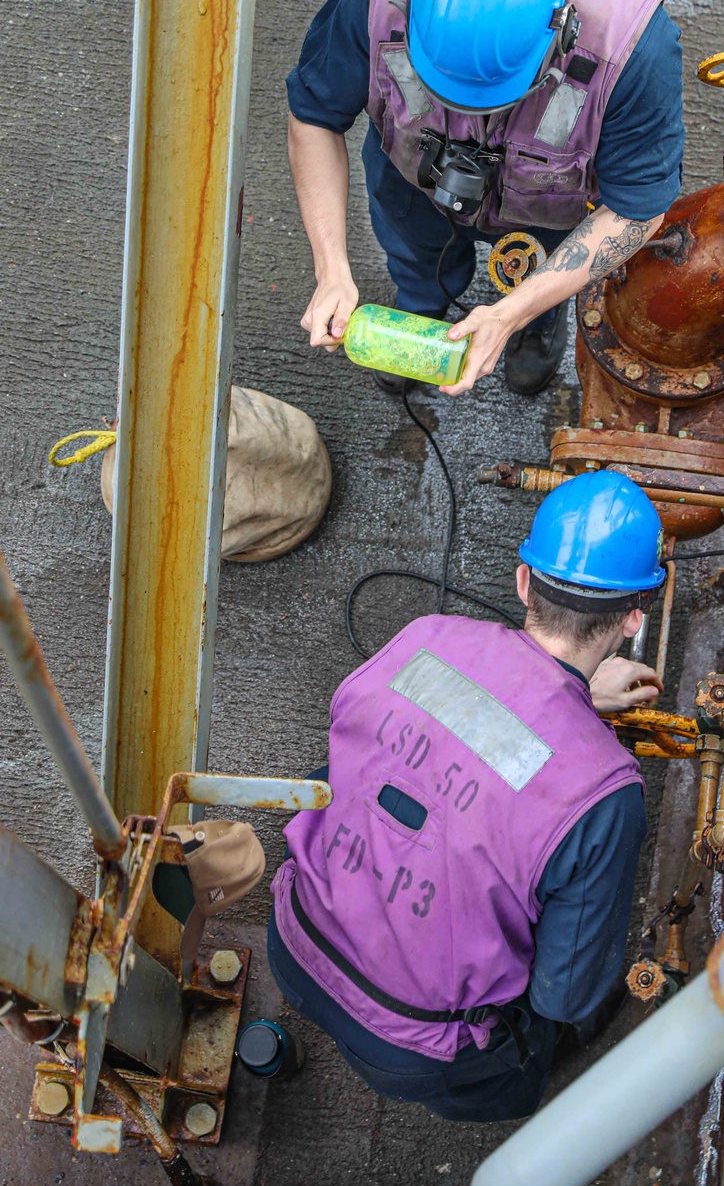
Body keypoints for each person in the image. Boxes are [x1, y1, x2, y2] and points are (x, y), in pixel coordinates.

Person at [268, 471, 665, 1121]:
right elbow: (566, 994)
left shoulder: (425, 639)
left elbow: (384, 744)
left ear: (522, 582)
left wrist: (568, 700)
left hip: (294, 939)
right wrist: (576, 717)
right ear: (631, 619)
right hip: (410, 1044)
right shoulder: (605, 791)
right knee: (536, 1046)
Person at [288, 0, 684, 396]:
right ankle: (419, 304)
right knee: (413, 253)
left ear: (560, 34)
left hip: (549, 208)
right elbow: (314, 114)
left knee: (542, 275)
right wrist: (332, 271)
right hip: (410, 180)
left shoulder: (633, 49)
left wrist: (513, 312)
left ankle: (535, 326)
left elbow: (637, 209)